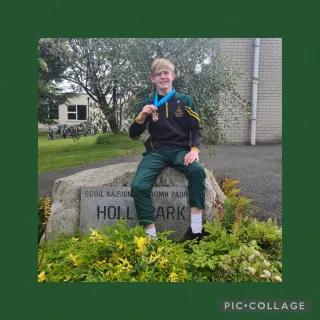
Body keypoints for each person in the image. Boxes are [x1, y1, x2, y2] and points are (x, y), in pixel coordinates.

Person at [129, 58, 206, 240]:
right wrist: (141, 117)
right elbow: (133, 134)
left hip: (180, 151)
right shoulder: (148, 102)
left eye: (166, 73)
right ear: (152, 78)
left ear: (173, 76)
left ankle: (196, 229)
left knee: (197, 171)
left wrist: (194, 150)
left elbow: (197, 128)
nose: (163, 76)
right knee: (138, 187)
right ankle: (151, 238)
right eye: (158, 74)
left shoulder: (184, 100)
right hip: (155, 153)